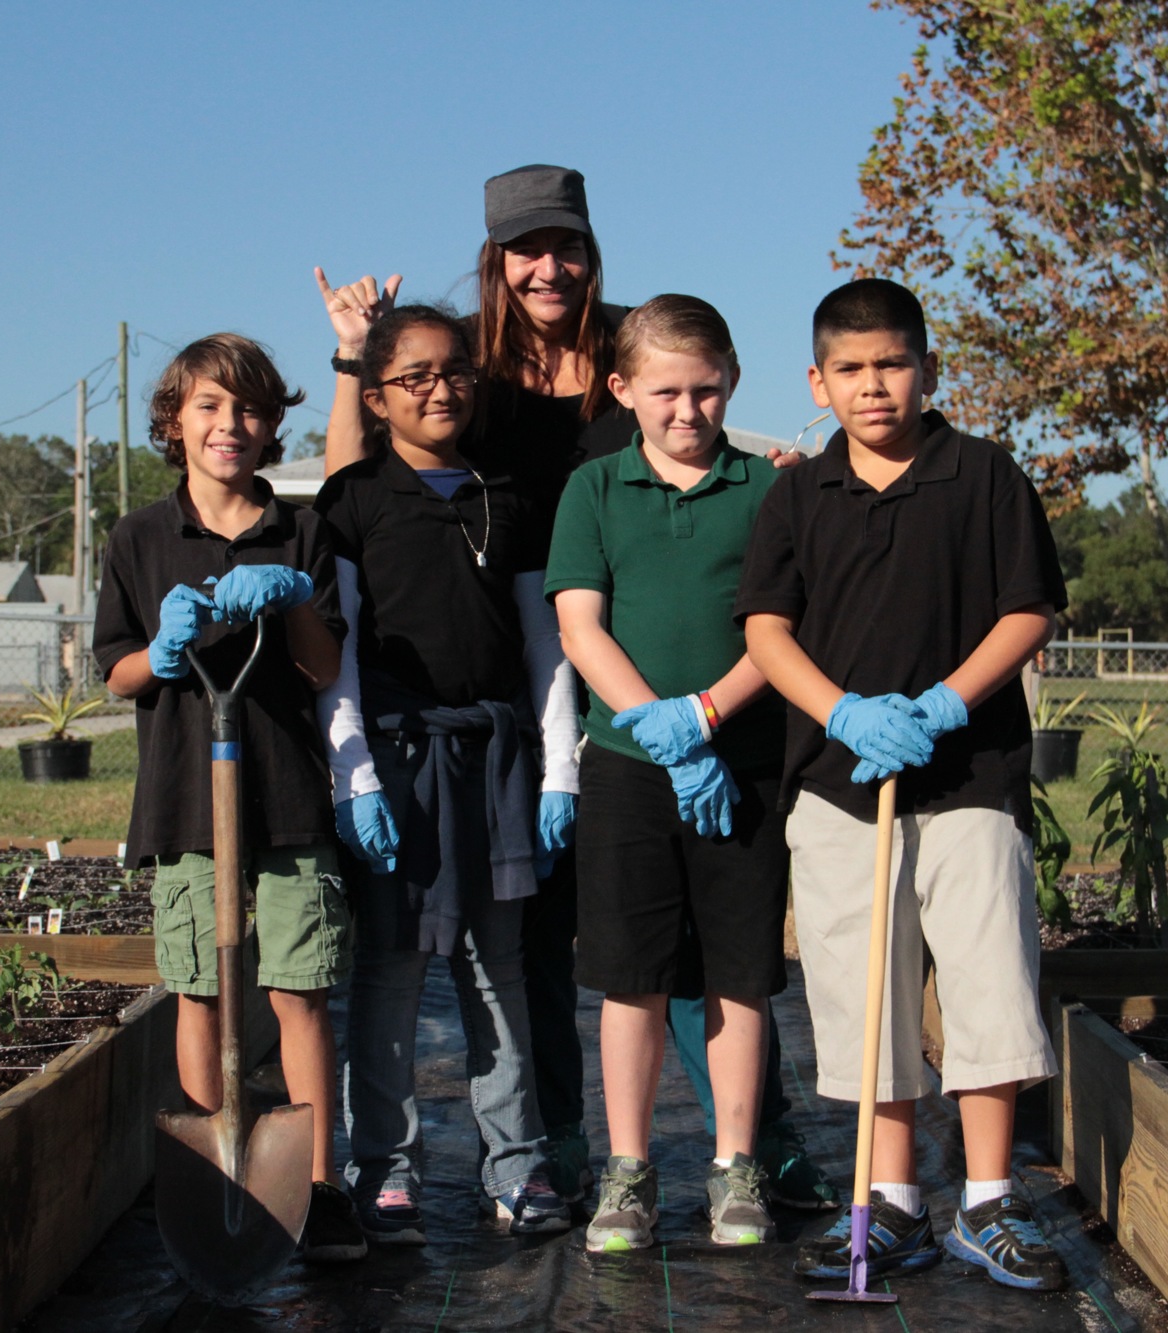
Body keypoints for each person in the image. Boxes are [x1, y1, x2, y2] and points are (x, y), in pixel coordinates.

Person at [313, 164, 836, 1215]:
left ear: (592, 257)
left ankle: (756, 1144)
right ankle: (557, 1143)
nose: (549, 267)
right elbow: (353, 491)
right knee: (544, 949)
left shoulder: (629, 356)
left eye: (568, 247)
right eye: (526, 249)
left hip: (667, 700)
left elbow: (695, 451)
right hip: (537, 701)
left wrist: (772, 472)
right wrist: (347, 360)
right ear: (495, 262)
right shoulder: (463, 368)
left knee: (707, 945)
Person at [736, 279, 1072, 1292]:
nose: (872, 385)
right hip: (840, 787)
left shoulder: (982, 476)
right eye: (849, 369)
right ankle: (888, 1205)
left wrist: (938, 706)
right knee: (863, 995)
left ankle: (985, 1198)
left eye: (890, 364)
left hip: (968, 774)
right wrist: (840, 710)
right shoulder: (796, 494)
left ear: (927, 369)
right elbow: (763, 628)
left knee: (985, 980)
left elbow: (1026, 612)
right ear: (817, 381)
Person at [92, 333, 366, 1263]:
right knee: (199, 992)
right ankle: (220, 1169)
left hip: (287, 793)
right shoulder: (137, 537)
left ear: (272, 422)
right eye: (209, 406)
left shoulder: (303, 532)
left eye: (248, 408)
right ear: (174, 421)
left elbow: (325, 665)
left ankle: (321, 1184)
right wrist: (158, 653)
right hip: (183, 797)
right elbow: (115, 673)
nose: (230, 426)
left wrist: (288, 594)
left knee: (300, 992)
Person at [314, 303, 579, 1243]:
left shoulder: (508, 496)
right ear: (377, 394)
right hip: (397, 761)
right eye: (416, 375)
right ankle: (383, 1167)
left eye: (457, 371)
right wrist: (354, 772)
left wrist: (560, 771)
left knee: (497, 968)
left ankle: (518, 1168)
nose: (441, 389)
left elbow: (547, 642)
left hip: (497, 762)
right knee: (389, 973)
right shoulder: (349, 504)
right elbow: (333, 653)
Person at [547, 295, 791, 1251]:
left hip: (742, 763)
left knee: (737, 970)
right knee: (631, 975)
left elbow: (779, 628)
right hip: (628, 768)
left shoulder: (769, 491)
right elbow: (580, 623)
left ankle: (735, 1166)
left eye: (707, 390)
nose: (689, 412)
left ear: (732, 379)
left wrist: (708, 715)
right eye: (666, 393)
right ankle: (630, 1170)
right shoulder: (596, 489)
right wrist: (660, 727)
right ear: (622, 391)